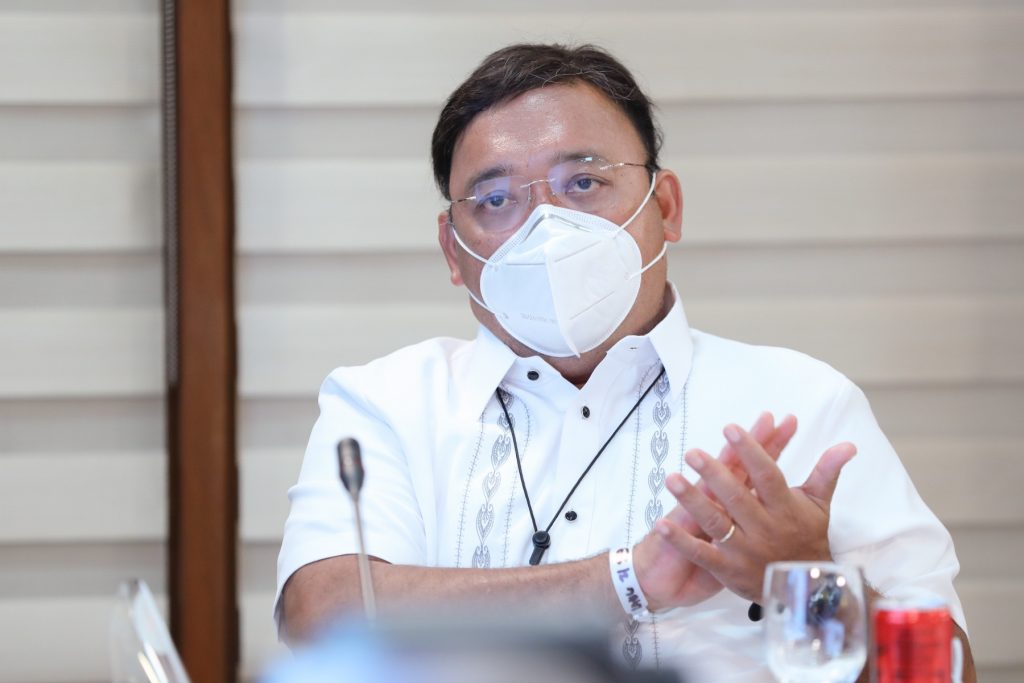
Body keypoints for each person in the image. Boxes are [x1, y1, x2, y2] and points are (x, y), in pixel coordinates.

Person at [276, 43, 975, 680]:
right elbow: (321, 618)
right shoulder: (386, 403)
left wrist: (809, 581)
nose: (545, 226)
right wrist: (630, 579)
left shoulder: (802, 403)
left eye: (583, 183)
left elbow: (948, 675)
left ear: (665, 207)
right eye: (495, 199)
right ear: (453, 251)